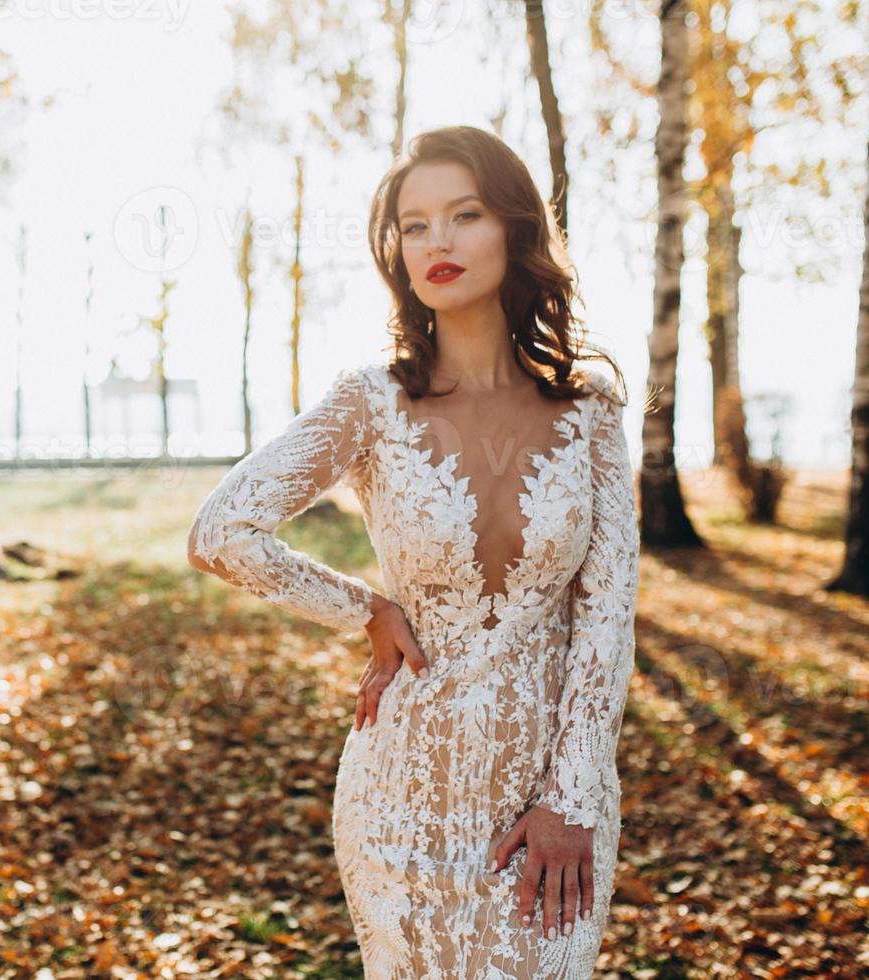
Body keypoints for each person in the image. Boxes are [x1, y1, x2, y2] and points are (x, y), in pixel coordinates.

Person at [185, 125, 642, 977]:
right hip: (403, 800)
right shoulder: (369, 403)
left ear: (513, 227)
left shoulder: (591, 410)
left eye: (464, 214)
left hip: (552, 805)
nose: (437, 241)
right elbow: (221, 531)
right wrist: (365, 606)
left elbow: (607, 613)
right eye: (414, 223)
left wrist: (571, 799)